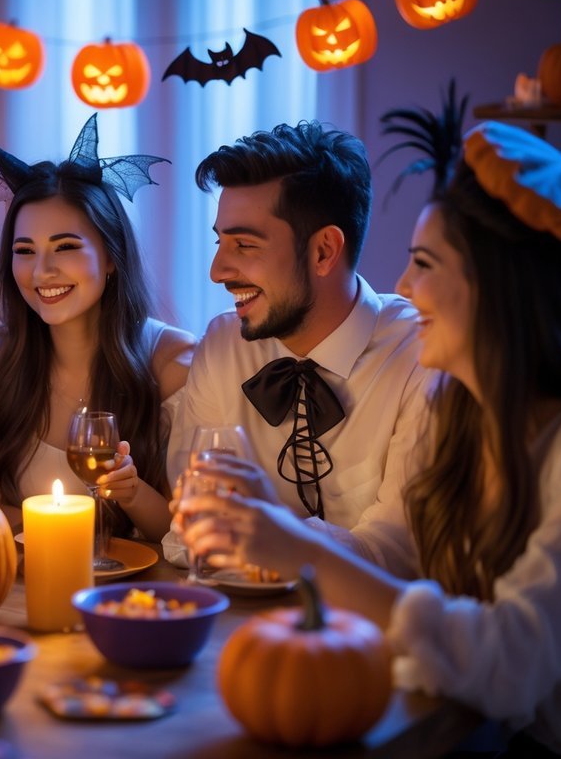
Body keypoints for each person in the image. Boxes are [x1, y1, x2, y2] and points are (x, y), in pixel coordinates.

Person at [179, 121, 561, 756]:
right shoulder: (470, 413)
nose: (403, 286)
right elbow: (406, 550)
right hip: (454, 718)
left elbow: (509, 659)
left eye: (424, 263)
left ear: (497, 285)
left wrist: (287, 543)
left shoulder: (557, 438)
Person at [163, 121, 431, 573]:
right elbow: (188, 530)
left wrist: (269, 530)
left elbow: (398, 552)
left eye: (244, 244)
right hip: (243, 623)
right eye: (219, 242)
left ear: (324, 251)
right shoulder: (223, 348)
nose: (217, 270)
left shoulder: (420, 353)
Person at [0, 115, 194, 540]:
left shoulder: (174, 362)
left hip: (140, 596)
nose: (42, 271)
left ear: (112, 256)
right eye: (25, 250)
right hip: (20, 591)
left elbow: (187, 533)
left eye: (65, 247)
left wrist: (133, 493)